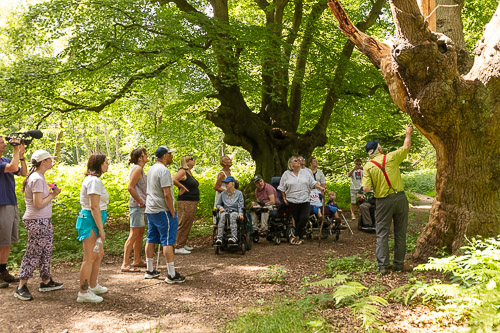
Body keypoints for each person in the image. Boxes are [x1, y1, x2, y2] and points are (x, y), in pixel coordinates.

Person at [361, 124, 413, 275]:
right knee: (400, 232)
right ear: (380, 149)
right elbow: (406, 146)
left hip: (383, 202)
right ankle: (398, 265)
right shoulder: (391, 158)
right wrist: (408, 133)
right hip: (400, 198)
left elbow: (365, 189)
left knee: (382, 233)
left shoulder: (368, 167)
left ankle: (383, 266)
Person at [15, 150, 63, 301]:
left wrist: (50, 194)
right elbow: (37, 204)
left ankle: (46, 281)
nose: (52, 161)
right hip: (36, 220)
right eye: (50, 159)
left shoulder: (39, 177)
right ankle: (21, 286)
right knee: (33, 252)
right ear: (44, 162)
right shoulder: (37, 179)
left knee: (46, 250)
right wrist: (53, 195)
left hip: (43, 219)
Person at [144, 146, 185, 284]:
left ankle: (150, 270)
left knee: (151, 238)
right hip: (162, 210)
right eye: (170, 154)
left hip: (150, 209)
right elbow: (167, 194)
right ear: (164, 156)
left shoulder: (151, 169)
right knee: (168, 240)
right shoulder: (164, 171)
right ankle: (171, 274)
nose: (172, 156)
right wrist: (172, 212)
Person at [76, 153, 110, 303]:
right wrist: (101, 229)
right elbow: (94, 206)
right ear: (99, 164)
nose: (108, 165)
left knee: (98, 254)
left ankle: (93, 284)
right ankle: (83, 293)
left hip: (96, 219)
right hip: (90, 220)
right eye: (106, 162)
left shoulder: (95, 180)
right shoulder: (94, 181)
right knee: (89, 257)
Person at [278, 156, 326, 245]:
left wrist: (321, 188)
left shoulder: (306, 172)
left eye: (299, 160)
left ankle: (295, 234)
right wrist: (284, 198)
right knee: (297, 219)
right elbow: (282, 188)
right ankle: (300, 238)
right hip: (292, 200)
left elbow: (313, 182)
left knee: (304, 217)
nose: (299, 162)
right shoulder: (286, 174)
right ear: (291, 164)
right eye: (296, 161)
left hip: (305, 199)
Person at [0, 136, 27, 289]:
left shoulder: (5, 159)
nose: (5, 144)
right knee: (1, 240)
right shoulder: (3, 163)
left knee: (7, 241)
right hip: (1, 204)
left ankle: (2, 271)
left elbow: (23, 172)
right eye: (2, 142)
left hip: (11, 203)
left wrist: (21, 155)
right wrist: (16, 149)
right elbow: (11, 167)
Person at [121, 148, 148, 272]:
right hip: (137, 207)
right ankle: (125, 264)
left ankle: (137, 260)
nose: (147, 156)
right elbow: (130, 188)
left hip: (141, 207)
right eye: (145, 154)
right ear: (140, 158)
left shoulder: (140, 169)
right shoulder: (137, 169)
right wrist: (140, 201)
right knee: (134, 234)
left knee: (140, 233)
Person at [173, 155, 199, 255]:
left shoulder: (189, 172)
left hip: (192, 201)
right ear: (187, 162)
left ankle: (182, 243)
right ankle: (178, 246)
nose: (193, 160)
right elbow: (173, 179)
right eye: (191, 159)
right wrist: (182, 187)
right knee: (183, 222)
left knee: (188, 222)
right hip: (185, 201)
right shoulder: (182, 171)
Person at [215, 177, 244, 245]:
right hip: (225, 211)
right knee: (222, 217)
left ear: (233, 183)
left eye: (227, 183)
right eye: (225, 183)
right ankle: (219, 238)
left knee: (232, 216)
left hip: (235, 211)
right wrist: (220, 208)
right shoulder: (223, 194)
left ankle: (234, 237)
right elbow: (218, 204)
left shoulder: (239, 193)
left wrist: (241, 214)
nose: (226, 185)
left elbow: (241, 205)